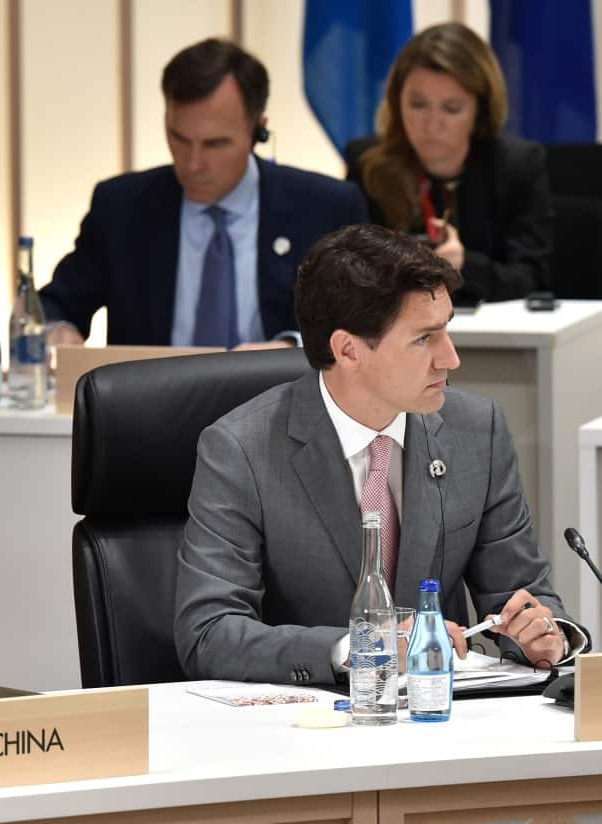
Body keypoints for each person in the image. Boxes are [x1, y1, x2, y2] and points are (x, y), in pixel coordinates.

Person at [173, 224, 586, 686]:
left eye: (446, 330)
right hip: (307, 725)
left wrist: (547, 635)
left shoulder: (477, 431)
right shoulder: (241, 449)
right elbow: (207, 634)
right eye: (423, 339)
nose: (450, 358)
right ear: (348, 350)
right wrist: (365, 649)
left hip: (445, 720)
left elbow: (522, 595)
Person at [40, 37, 367, 349]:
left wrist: (289, 348)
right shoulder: (121, 207)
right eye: (179, 138)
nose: (193, 164)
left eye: (215, 144)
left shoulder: (326, 208)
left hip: (281, 402)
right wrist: (57, 332)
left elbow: (363, 322)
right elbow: (53, 305)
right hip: (152, 405)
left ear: (258, 130)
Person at [345, 23, 551, 305]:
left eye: (451, 109)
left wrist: (465, 264)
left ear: (480, 110)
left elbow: (533, 278)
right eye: (418, 104)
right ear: (396, 101)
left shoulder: (517, 165)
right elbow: (346, 275)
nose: (431, 124)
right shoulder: (367, 164)